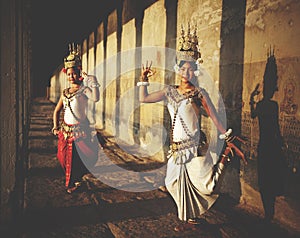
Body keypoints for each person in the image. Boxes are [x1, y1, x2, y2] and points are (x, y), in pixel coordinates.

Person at [138, 25, 247, 231]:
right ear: (177, 68)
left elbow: (215, 118)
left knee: (208, 186)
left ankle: (225, 158)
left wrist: (227, 138)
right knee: (172, 184)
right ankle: (190, 218)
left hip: (194, 148)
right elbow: (143, 98)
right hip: (176, 150)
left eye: (190, 67)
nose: (186, 72)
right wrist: (144, 79)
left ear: (195, 69)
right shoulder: (169, 91)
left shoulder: (199, 93)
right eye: (182, 67)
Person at [52, 43, 100, 194]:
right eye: (68, 74)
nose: (71, 77)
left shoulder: (84, 90)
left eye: (73, 73)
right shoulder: (65, 92)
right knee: (62, 156)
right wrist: (55, 126)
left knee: (82, 157)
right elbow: (57, 111)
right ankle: (74, 180)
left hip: (79, 131)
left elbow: (96, 98)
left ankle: (75, 181)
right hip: (65, 131)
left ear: (78, 73)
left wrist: (92, 80)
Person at [250, 50, 287, 223]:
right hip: (267, 145)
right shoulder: (269, 105)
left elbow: (275, 126)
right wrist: (251, 99)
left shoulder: (270, 105)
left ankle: (269, 212)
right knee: (266, 180)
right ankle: (268, 212)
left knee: (267, 180)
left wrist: (252, 99)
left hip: (267, 145)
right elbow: (274, 127)